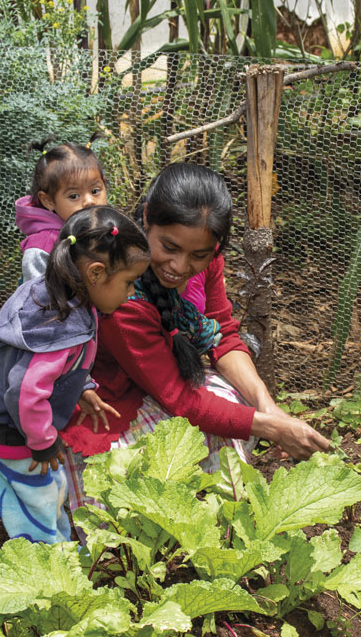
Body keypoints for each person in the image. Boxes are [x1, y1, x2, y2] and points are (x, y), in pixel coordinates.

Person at [60, 163, 329, 514]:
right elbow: (180, 400)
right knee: (128, 489)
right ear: (146, 220)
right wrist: (274, 429)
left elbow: (223, 334)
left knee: (235, 401)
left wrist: (268, 407)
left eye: (198, 255)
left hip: (154, 384)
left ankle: (206, 521)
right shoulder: (120, 293)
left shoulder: (207, 258)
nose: (180, 265)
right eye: (168, 247)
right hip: (106, 401)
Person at [0, 206, 150, 544]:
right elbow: (24, 393)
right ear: (95, 273)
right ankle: (47, 568)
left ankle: (60, 548)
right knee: (38, 502)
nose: (132, 292)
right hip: (4, 428)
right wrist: (44, 443)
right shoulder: (57, 327)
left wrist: (83, 387)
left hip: (12, 422)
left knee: (54, 488)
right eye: (129, 283)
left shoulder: (61, 297)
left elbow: (57, 367)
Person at [15, 135, 108, 282]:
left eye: (95, 191)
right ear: (48, 201)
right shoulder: (42, 248)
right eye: (74, 196)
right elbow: (37, 300)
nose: (89, 201)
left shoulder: (113, 226)